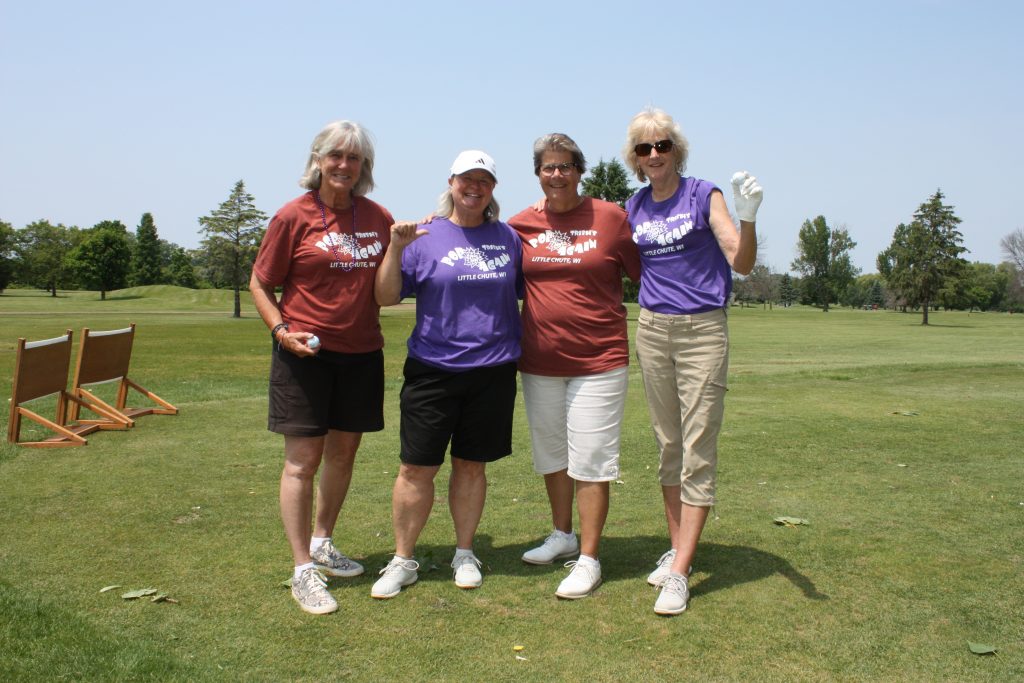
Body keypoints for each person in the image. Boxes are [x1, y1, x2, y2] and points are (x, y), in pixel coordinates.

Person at [622, 108, 763, 615]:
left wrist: (748, 218)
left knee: (697, 447)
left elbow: (740, 261)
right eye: (644, 148)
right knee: (669, 446)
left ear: (676, 150)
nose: (654, 154)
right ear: (636, 159)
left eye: (662, 145)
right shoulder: (634, 206)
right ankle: (677, 548)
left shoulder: (704, 194)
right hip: (652, 330)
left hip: (702, 331)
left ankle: (680, 573)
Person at [250, 120, 393, 615]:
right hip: (303, 355)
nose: (343, 165)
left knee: (343, 454)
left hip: (362, 353)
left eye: (353, 158)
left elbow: (389, 282)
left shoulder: (376, 217)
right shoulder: (293, 216)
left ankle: (322, 542)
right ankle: (301, 570)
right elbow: (260, 283)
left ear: (363, 166)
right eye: (335, 155)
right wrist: (280, 330)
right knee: (302, 461)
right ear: (318, 160)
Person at [372, 150, 522, 599]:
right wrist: (396, 248)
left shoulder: (508, 238)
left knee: (471, 465)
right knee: (415, 467)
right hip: (433, 370)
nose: (474, 187)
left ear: (492, 189)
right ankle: (403, 559)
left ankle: (464, 553)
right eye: (466, 179)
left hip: (492, 370)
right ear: (452, 183)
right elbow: (386, 296)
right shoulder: (424, 235)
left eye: (484, 180)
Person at [508, 134, 640, 599]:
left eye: (565, 166)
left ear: (579, 171)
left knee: (591, 459)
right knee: (552, 455)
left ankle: (589, 559)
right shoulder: (520, 225)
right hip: (540, 361)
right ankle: (562, 534)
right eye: (548, 167)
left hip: (599, 360)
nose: (557, 174)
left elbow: (646, 273)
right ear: (538, 173)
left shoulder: (611, 217)